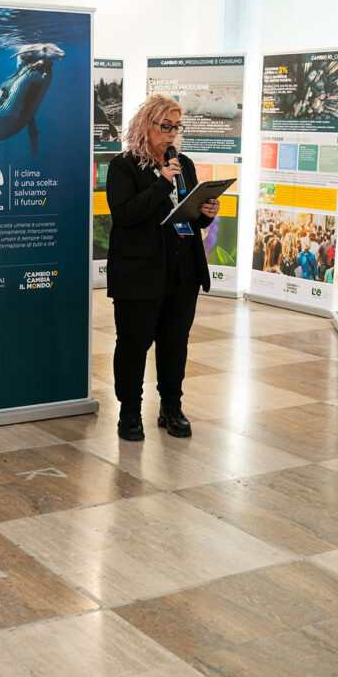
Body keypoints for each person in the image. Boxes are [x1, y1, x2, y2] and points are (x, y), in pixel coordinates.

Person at [106, 94, 219, 442]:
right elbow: (126, 214)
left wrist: (205, 212)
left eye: (176, 127)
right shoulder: (124, 166)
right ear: (146, 125)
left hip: (182, 270)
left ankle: (171, 408)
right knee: (133, 343)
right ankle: (129, 412)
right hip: (139, 273)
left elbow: (189, 216)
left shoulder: (182, 162)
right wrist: (161, 182)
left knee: (174, 343)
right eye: (165, 127)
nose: (171, 135)